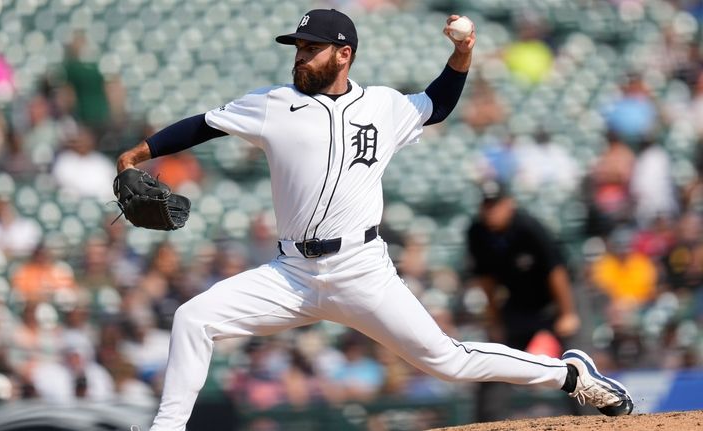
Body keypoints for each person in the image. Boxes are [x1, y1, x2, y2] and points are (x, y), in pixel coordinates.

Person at [115, 10, 633, 430]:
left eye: (310, 47)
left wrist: (462, 53)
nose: (300, 55)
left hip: (361, 268)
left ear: (344, 53)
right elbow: (202, 126)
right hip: (291, 274)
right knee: (192, 318)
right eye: (297, 47)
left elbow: (438, 103)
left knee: (447, 362)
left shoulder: (383, 105)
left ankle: (570, 375)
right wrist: (136, 154)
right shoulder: (273, 105)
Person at [466, 180, 582, 421]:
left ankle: (594, 420)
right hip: (518, 305)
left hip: (555, 301)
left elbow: (557, 272)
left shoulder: (528, 227)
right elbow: (486, 281)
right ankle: (488, 423)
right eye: (486, 205)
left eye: (496, 204)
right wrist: (495, 320)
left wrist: (567, 313)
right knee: (493, 357)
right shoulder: (477, 233)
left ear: (509, 204)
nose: (491, 210)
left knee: (577, 359)